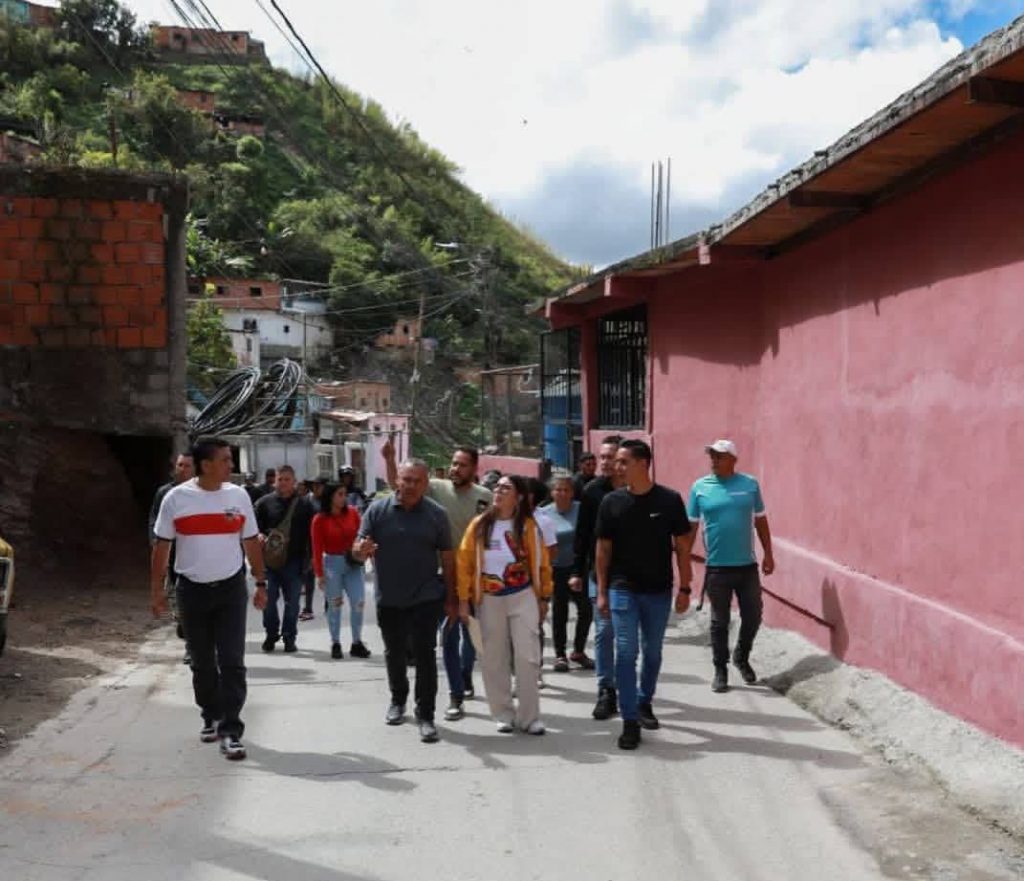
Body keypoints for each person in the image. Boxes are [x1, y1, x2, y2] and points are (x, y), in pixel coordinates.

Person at [150, 436, 268, 761]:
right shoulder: (176, 499)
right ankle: (210, 714)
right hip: (192, 591)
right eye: (226, 460)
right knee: (202, 663)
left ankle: (231, 730)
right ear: (206, 465)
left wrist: (261, 582)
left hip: (231, 589)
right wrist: (157, 591)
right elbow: (162, 547)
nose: (232, 465)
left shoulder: (239, 496)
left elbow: (251, 542)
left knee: (232, 662)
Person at [382, 440, 491, 722]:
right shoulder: (437, 488)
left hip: (474, 578)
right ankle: (456, 695)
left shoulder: (485, 497)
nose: (455, 469)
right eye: (453, 463)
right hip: (442, 577)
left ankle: (465, 675)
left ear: (474, 469)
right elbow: (400, 486)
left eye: (462, 465)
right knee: (448, 637)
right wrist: (390, 460)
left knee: (471, 636)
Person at [595, 440, 692, 750]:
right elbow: (603, 549)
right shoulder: (611, 502)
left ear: (642, 464)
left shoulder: (669, 500)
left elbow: (683, 547)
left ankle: (643, 700)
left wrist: (685, 587)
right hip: (622, 588)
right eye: (617, 461)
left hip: (658, 590)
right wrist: (602, 592)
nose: (617, 467)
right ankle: (629, 721)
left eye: (623, 461)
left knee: (653, 653)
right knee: (626, 652)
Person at [359, 459, 454, 744]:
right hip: (389, 597)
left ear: (426, 484)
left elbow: (448, 558)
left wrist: (452, 597)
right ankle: (397, 700)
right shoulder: (378, 511)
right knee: (395, 652)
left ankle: (426, 715)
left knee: (425, 655)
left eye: (417, 480)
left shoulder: (437, 514)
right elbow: (358, 547)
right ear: (397, 480)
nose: (411, 485)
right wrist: (360, 549)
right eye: (406, 479)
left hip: (426, 597)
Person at [457, 475, 552, 734]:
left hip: (523, 596)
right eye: (497, 487)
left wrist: (544, 596)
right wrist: (464, 600)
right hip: (489, 600)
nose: (498, 491)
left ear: (518, 496)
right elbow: (464, 564)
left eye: (505, 488)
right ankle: (502, 713)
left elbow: (542, 563)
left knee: (527, 657)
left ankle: (530, 717)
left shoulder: (529, 526)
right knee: (493, 658)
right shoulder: (479, 525)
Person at [684, 439, 775, 693]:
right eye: (712, 456)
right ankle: (720, 669)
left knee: (753, 616)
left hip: (747, 566)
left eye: (720, 456)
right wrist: (683, 563)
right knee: (719, 621)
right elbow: (691, 527)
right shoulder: (700, 488)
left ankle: (741, 657)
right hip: (717, 569)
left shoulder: (750, 485)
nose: (714, 460)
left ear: (733, 460)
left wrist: (768, 554)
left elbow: (761, 520)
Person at [569, 435, 623, 720]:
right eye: (601, 457)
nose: (604, 462)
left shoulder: (636, 489)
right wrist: (576, 571)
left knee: (626, 637)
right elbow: (582, 533)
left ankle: (629, 688)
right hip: (598, 573)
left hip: (631, 576)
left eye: (609, 457)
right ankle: (606, 690)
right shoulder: (592, 491)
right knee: (604, 631)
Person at [254, 465, 315, 654]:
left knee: (293, 603)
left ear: (294, 481)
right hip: (269, 562)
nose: (283, 483)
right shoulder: (263, 503)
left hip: (294, 562)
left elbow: (313, 534)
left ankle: (289, 637)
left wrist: (312, 558)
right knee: (268, 600)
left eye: (287, 479)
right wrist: (259, 536)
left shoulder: (305, 505)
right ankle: (271, 634)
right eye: (280, 479)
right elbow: (253, 528)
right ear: (274, 481)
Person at [311, 482, 371, 660]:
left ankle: (357, 642)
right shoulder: (319, 519)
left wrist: (365, 552)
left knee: (358, 601)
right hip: (332, 564)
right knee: (335, 604)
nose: (344, 498)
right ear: (330, 497)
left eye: (345, 494)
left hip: (353, 564)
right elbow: (316, 549)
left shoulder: (352, 513)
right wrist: (319, 574)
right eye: (340, 494)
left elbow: (362, 535)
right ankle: (335, 642)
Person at [540, 476, 592, 673]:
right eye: (558, 490)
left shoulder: (582, 510)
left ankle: (578, 651)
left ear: (572, 493)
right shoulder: (544, 513)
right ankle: (560, 654)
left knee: (585, 610)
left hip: (578, 568)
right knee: (559, 611)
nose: (562, 493)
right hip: (555, 569)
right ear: (552, 492)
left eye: (566, 490)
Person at [148, 452, 194, 665]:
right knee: (178, 599)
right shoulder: (165, 493)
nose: (183, 469)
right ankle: (185, 627)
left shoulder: (202, 494)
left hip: (194, 557)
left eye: (187, 466)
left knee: (194, 603)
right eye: (180, 465)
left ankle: (192, 647)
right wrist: (155, 542)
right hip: (172, 554)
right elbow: (154, 520)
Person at [300, 478, 328, 621]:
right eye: (315, 486)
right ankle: (308, 608)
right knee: (309, 575)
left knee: (328, 574)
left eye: (320, 486)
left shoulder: (328, 501)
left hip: (326, 541)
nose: (317, 488)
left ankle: (329, 605)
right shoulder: (305, 501)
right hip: (309, 542)